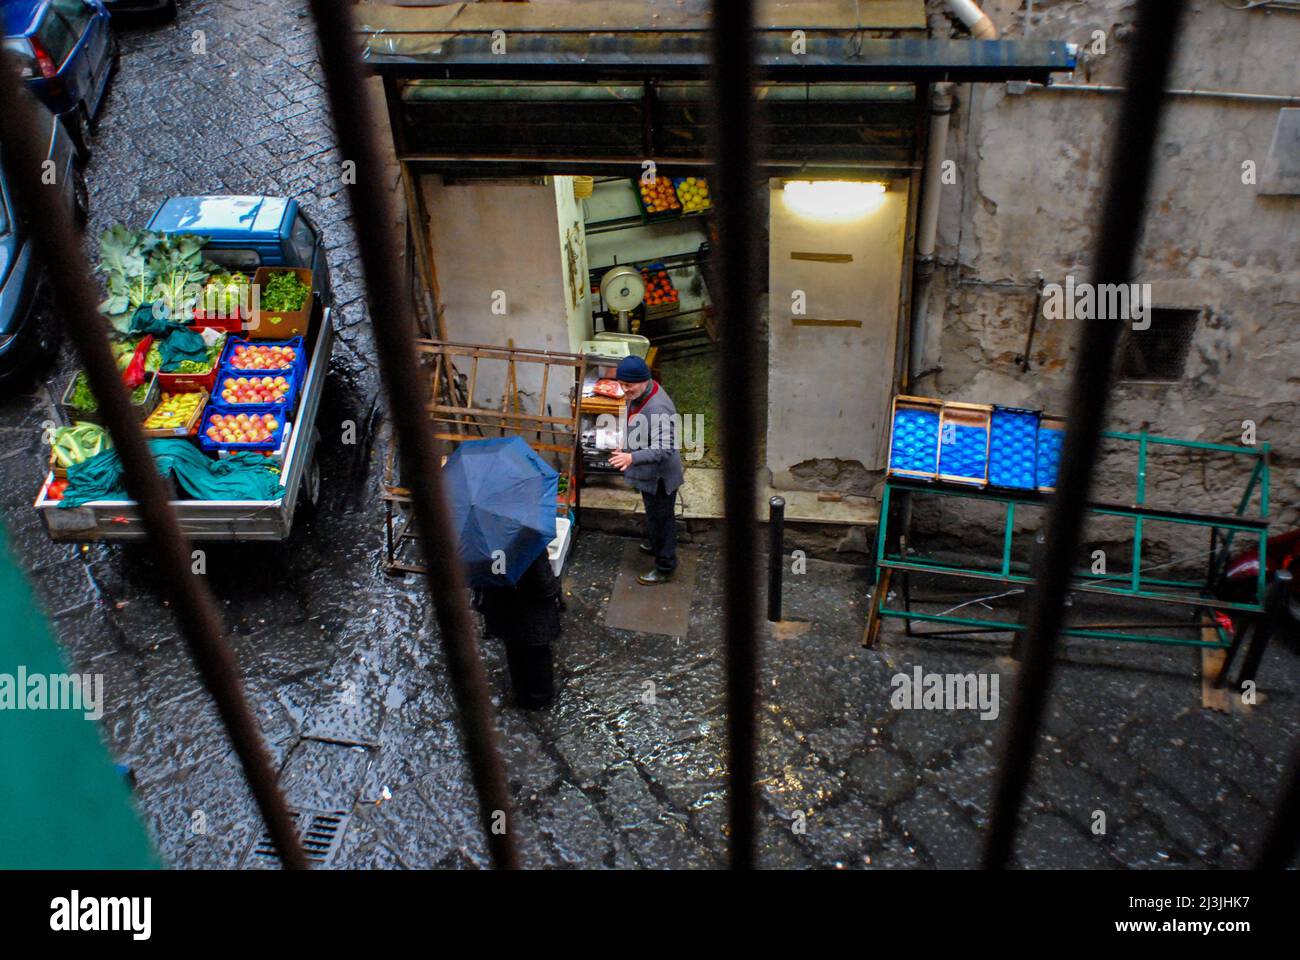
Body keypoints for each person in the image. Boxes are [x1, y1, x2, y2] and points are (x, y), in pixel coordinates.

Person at [607, 355, 684, 585]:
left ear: (643, 380)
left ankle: (665, 567)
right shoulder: (642, 393)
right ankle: (654, 543)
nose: (624, 390)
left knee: (662, 520)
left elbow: (666, 447)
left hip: (660, 477)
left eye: (628, 385)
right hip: (650, 473)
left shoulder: (657, 407)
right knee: (654, 515)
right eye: (621, 384)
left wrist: (631, 456)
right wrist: (626, 443)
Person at [473, 553, 561, 709]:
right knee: (537, 654)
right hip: (530, 611)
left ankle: (520, 692)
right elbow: (542, 581)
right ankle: (539, 699)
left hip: (500, 607)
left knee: (513, 650)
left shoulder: (481, 542)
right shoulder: (528, 537)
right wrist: (554, 590)